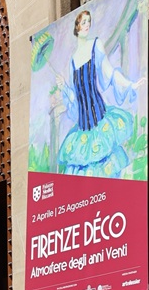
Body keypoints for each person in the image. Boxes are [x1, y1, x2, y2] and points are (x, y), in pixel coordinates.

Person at [53, 9, 141, 177]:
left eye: (89, 21)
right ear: (77, 26)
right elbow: (76, 100)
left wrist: (130, 84)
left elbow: (109, 72)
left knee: (109, 172)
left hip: (101, 122)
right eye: (83, 22)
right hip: (83, 130)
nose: (87, 25)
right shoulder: (72, 60)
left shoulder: (95, 45)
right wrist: (64, 86)